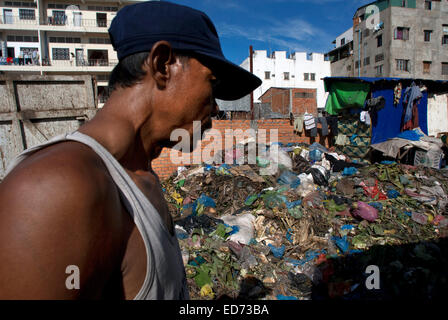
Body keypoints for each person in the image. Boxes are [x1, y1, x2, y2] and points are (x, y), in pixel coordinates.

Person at [0, 1, 261, 299]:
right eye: (211, 83)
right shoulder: (57, 186)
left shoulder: (142, 175)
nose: (215, 106)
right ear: (163, 65)